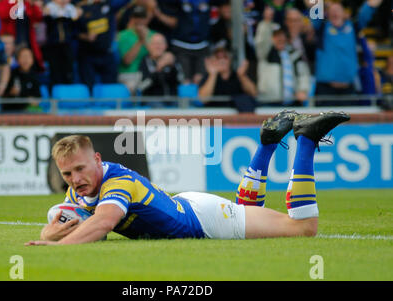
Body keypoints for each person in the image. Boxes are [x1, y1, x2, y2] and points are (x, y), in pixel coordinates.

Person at [25, 110, 351, 246]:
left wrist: (57, 246)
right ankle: (267, 145)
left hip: (202, 221)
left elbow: (102, 224)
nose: (75, 178)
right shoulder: (79, 193)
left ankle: (305, 141)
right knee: (245, 213)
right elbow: (80, 226)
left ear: (97, 159)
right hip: (189, 205)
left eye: (80, 169)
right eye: (67, 174)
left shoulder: (117, 183)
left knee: (304, 230)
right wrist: (49, 232)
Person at [304, 0, 383, 105]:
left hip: (348, 89)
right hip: (325, 90)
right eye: (331, 11)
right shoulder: (321, 28)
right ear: (327, 14)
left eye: (337, 10)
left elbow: (368, 9)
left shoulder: (354, 26)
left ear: (345, 14)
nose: (334, 13)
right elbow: (313, 5)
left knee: (349, 120)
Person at [75, 0, 130, 88]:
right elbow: (73, 32)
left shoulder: (108, 6)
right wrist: (85, 36)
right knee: (88, 86)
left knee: (111, 86)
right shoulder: (80, 8)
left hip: (106, 53)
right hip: (87, 54)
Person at [255, 20, 311, 106]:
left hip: (293, 103)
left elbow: (303, 74)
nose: (280, 38)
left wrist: (303, 90)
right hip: (269, 103)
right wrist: (266, 23)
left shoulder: (295, 54)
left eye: (282, 35)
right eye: (276, 36)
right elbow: (261, 42)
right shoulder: (265, 53)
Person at [198, 42, 257, 110]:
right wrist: (213, 75)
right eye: (218, 57)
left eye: (225, 57)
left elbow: (253, 94)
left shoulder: (238, 75)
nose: (222, 60)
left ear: (230, 59)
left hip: (237, 118)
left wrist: (242, 76)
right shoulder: (208, 77)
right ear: (213, 60)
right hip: (214, 117)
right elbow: (203, 99)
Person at [0, 0, 45, 71]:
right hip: (11, 43)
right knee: (9, 67)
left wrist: (32, 5)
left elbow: (38, 17)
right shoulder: (5, 2)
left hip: (27, 43)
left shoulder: (27, 3)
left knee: (29, 68)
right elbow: (3, 14)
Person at [117, 5, 155, 94]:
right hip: (129, 74)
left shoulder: (154, 35)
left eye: (142, 17)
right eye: (136, 17)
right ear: (132, 18)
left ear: (147, 19)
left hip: (149, 74)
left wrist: (145, 39)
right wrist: (140, 41)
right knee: (133, 85)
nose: (139, 20)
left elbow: (155, 56)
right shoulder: (123, 35)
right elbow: (127, 61)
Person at [137, 33, 184, 104]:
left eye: (160, 43)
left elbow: (181, 79)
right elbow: (142, 86)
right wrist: (159, 68)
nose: (157, 46)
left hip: (173, 101)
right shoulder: (144, 61)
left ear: (166, 46)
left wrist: (172, 66)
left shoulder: (172, 60)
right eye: (155, 44)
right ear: (149, 46)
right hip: (151, 102)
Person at [43, 0, 81, 86]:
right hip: (53, 46)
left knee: (69, 71)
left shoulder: (70, 8)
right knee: (55, 72)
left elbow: (75, 27)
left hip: (68, 45)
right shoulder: (49, 7)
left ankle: (68, 93)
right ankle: (56, 94)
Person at [2, 47, 41, 112]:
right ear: (17, 59)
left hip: (28, 111)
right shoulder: (11, 74)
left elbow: (38, 98)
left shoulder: (35, 76)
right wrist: (10, 93)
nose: (26, 60)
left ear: (32, 60)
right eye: (23, 57)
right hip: (10, 111)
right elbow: (3, 96)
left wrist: (31, 100)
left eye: (28, 57)